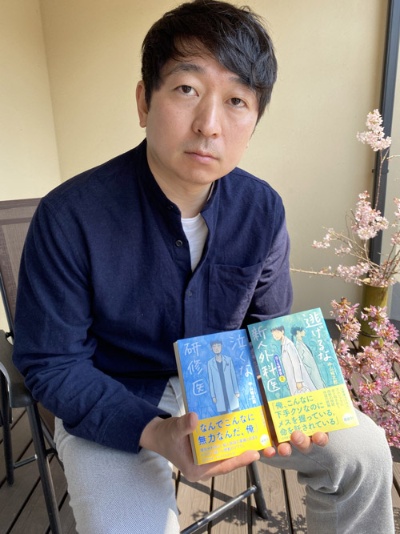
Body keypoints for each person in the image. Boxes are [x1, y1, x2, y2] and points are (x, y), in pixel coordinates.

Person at [13, 1, 394, 533]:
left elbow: (268, 327)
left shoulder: (262, 209)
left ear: (254, 121)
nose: (209, 125)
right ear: (144, 101)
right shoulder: (70, 215)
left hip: (229, 388)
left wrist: (297, 402)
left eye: (236, 100)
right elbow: (53, 363)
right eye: (187, 89)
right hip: (114, 393)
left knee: (363, 453)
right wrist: (156, 431)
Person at [271, 325, 316, 394]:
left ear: (282, 331)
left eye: (277, 332)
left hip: (298, 381)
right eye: (273, 335)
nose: (275, 336)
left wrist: (299, 381)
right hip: (293, 379)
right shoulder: (283, 345)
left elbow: (296, 362)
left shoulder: (289, 344)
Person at [207, 340, 240, 413]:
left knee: (236, 410)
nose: (216, 348)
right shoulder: (210, 363)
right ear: (211, 348)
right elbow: (211, 380)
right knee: (223, 413)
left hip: (230, 390)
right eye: (214, 346)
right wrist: (213, 396)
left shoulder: (228, 359)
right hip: (219, 393)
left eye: (218, 346)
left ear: (221, 346)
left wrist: (236, 391)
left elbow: (233, 376)